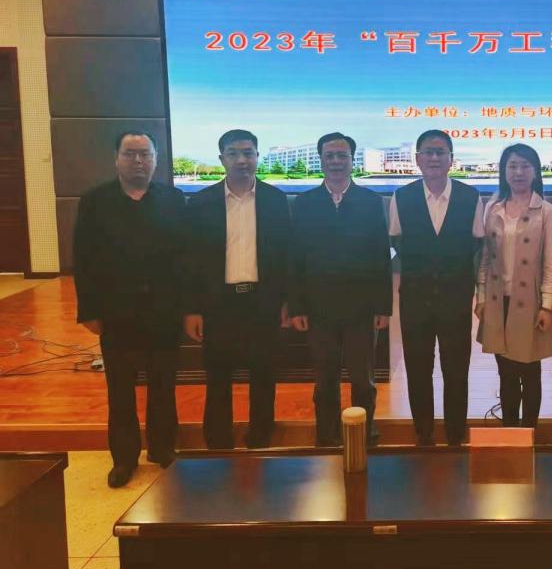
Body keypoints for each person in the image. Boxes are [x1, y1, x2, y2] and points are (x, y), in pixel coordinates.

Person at [73, 131, 187, 487]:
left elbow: (185, 258)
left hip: (164, 311)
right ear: (116, 158)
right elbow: (83, 258)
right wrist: (89, 311)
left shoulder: (173, 199)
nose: (138, 161)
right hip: (116, 313)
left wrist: (186, 307)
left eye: (145, 154)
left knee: (163, 385)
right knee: (120, 390)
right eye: (130, 153)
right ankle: (124, 459)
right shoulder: (95, 201)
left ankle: (162, 448)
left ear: (155, 159)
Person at [183, 129, 291, 449]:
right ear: (222, 159)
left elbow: (286, 256)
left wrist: (287, 302)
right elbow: (191, 261)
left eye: (248, 153)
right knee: (217, 376)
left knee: (264, 374)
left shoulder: (276, 200)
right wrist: (192, 309)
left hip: (263, 301)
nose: (242, 160)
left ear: (258, 157)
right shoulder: (201, 203)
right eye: (233, 153)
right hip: (218, 304)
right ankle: (218, 441)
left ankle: (261, 437)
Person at [289, 132, 392, 447]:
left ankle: (365, 435)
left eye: (342, 155)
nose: (336, 161)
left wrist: (383, 307)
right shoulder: (304, 203)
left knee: (363, 380)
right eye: (329, 156)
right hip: (318, 307)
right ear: (320, 160)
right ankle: (327, 436)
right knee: (325, 380)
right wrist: (297, 307)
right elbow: (295, 257)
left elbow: (381, 256)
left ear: (352, 160)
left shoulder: (371, 202)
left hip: (362, 308)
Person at [390, 130, 484, 446]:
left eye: (440, 152)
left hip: (455, 299)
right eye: (428, 152)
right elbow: (397, 241)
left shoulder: (470, 197)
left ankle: (456, 433)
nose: (434, 158)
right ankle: (424, 432)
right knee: (418, 369)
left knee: (456, 369)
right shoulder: (402, 197)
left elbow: (476, 244)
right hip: (414, 300)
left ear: (451, 159)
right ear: (417, 159)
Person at [475, 144, 552, 428]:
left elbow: (551, 263)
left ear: (535, 171)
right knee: (506, 373)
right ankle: (510, 432)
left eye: (525, 166)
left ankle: (529, 432)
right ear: (504, 171)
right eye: (512, 166)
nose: (518, 172)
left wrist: (547, 305)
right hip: (498, 301)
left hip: (531, 303)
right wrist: (481, 295)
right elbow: (485, 258)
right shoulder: (493, 208)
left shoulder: (547, 211)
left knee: (530, 371)